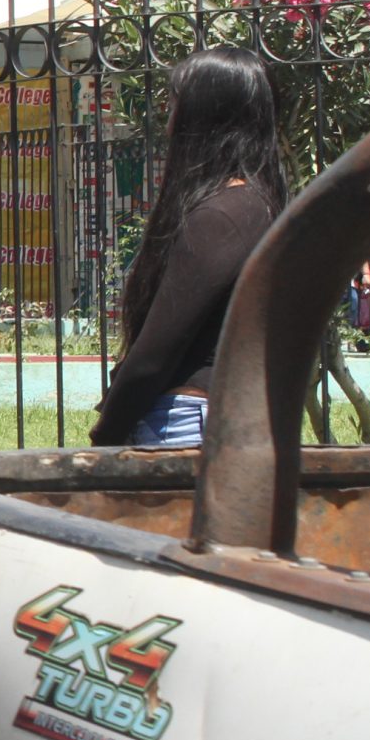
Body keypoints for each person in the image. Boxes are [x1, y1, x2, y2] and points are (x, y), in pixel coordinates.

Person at [89, 47, 287, 448]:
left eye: (177, 107)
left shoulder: (220, 217)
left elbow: (155, 355)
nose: (169, 126)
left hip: (184, 423)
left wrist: (104, 437)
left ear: (206, 119)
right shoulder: (258, 204)